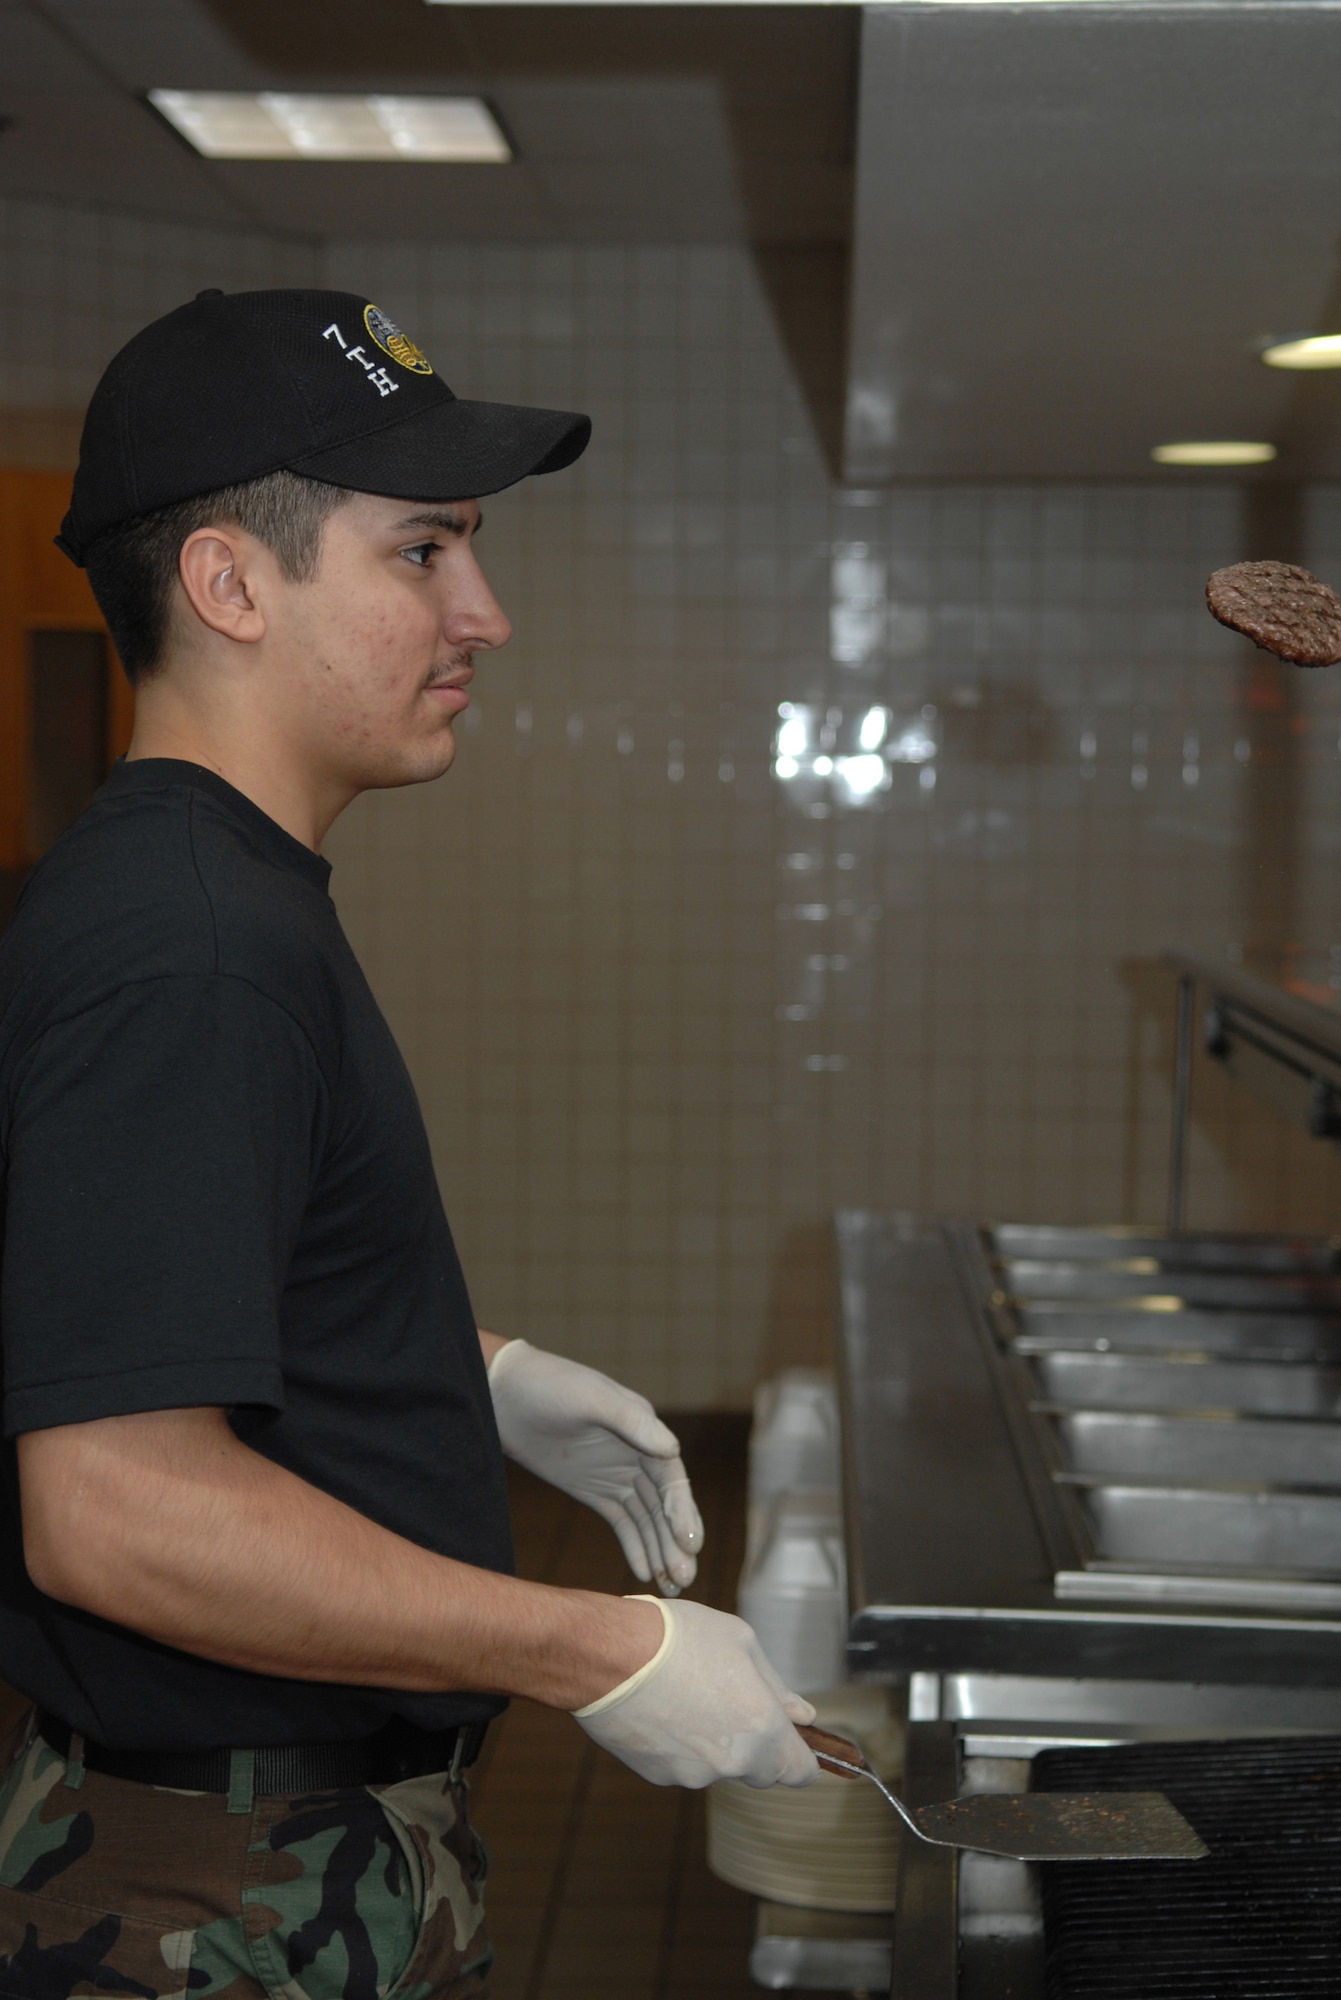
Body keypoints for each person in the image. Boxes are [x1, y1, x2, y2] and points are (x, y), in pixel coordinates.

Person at [0, 288, 817, 2000]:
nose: (486, 613)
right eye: (423, 554)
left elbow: (104, 1298)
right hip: (219, 1900)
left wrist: (464, 1371)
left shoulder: (191, 892)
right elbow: (115, 1506)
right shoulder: (195, 945)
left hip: (251, 1850)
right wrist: (590, 1647)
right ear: (229, 585)